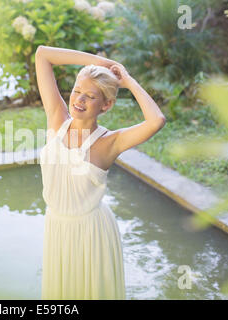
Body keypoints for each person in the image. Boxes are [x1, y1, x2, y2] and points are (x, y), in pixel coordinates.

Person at [35, 45, 166, 299]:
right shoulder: (57, 119)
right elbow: (42, 54)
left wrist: (127, 80)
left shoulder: (109, 143)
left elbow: (156, 120)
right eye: (77, 91)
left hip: (91, 232)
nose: (79, 100)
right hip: (56, 226)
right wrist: (103, 63)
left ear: (106, 105)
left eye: (90, 96)